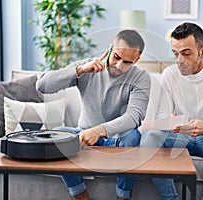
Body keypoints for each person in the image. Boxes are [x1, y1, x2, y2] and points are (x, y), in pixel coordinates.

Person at [36, 29, 151, 200]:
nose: (119, 66)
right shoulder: (88, 67)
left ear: (137, 60)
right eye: (117, 57)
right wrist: (79, 70)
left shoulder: (141, 77)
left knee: (132, 136)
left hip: (117, 140)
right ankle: (80, 194)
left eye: (127, 62)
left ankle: (123, 196)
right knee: (56, 135)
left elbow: (134, 116)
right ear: (110, 48)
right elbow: (42, 86)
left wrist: (99, 130)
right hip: (83, 136)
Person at [140, 22, 203, 200]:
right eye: (175, 54)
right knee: (149, 137)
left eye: (186, 53)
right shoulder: (170, 75)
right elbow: (162, 117)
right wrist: (170, 121)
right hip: (180, 137)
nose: (179, 60)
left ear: (202, 52)